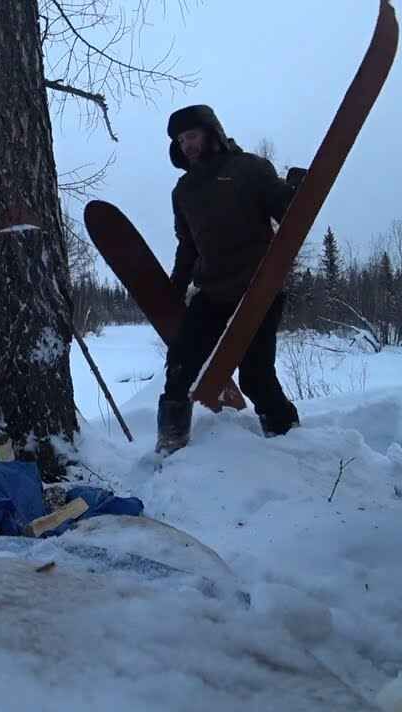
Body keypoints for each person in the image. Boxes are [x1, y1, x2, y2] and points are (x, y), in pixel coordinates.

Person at [157, 104, 305, 455]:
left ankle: (291, 442)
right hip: (212, 292)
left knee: (256, 377)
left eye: (192, 135)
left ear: (212, 132)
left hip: (259, 289)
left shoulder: (249, 168)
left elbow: (287, 213)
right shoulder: (184, 190)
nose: (187, 145)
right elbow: (188, 245)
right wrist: (176, 286)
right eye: (181, 140)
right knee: (179, 369)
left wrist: (298, 189)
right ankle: (170, 448)